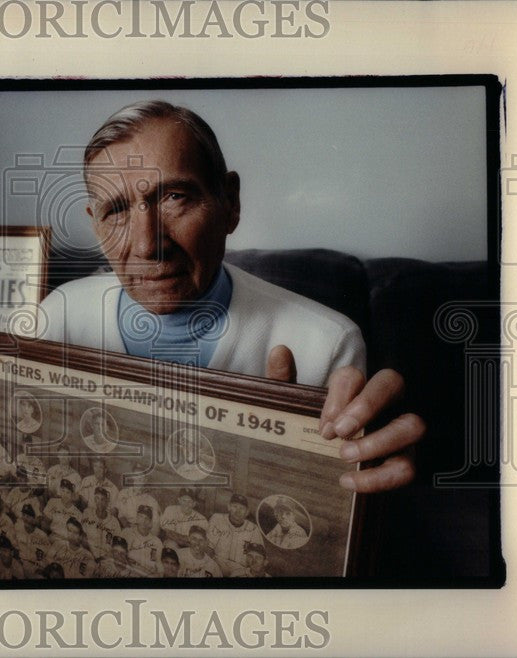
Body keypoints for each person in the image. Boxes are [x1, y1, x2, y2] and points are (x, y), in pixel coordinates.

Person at [38, 100, 424, 494]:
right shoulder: (59, 317)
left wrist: (367, 482)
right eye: (116, 210)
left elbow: (335, 504)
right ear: (95, 224)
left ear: (230, 203)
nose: (146, 245)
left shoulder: (326, 345)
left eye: (174, 197)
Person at [207, 493, 262, 576]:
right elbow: (208, 547)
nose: (238, 511)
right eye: (235, 506)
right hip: (216, 563)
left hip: (241, 570)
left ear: (247, 512)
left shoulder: (254, 529)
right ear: (229, 507)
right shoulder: (217, 519)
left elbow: (259, 557)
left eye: (242, 508)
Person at [80, 486, 122, 561]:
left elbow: (117, 546)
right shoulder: (87, 513)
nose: (99, 502)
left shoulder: (114, 521)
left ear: (107, 502)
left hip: (107, 560)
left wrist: (104, 558)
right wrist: (90, 555)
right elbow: (82, 536)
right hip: (88, 556)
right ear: (94, 500)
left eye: (102, 499)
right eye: (97, 498)